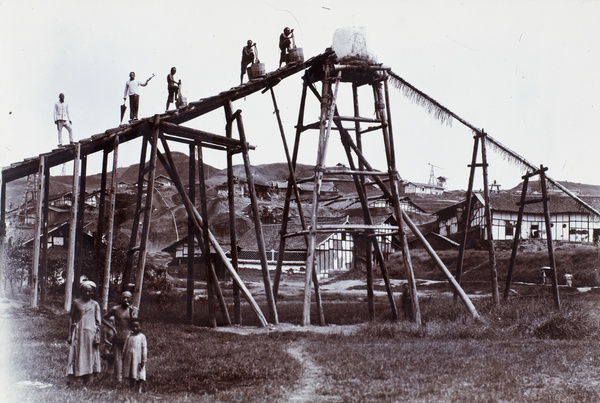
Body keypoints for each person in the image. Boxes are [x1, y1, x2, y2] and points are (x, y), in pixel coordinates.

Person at [66, 281, 102, 385]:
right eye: (85, 291)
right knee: (77, 354)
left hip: (91, 334)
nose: (87, 293)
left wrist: (97, 335)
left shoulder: (95, 304)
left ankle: (88, 380)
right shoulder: (76, 302)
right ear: (81, 291)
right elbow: (71, 318)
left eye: (89, 291)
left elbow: (98, 322)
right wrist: (69, 334)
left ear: (92, 292)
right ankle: (76, 378)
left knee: (90, 356)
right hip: (78, 333)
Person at [102, 290, 138, 383]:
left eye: (128, 298)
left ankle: (129, 379)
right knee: (117, 359)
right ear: (121, 298)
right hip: (118, 338)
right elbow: (104, 318)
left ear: (131, 299)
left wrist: (133, 314)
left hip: (129, 338)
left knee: (129, 358)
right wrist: (112, 327)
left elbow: (135, 325)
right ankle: (118, 380)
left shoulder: (132, 310)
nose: (126, 299)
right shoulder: (115, 309)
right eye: (124, 297)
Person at [122, 319, 147, 393]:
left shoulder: (142, 337)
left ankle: (139, 389)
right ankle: (131, 388)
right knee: (131, 374)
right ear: (131, 327)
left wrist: (143, 360)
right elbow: (125, 347)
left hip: (138, 359)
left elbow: (144, 349)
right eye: (133, 326)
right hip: (130, 359)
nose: (135, 328)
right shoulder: (129, 336)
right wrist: (123, 356)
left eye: (137, 326)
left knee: (139, 374)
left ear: (140, 327)